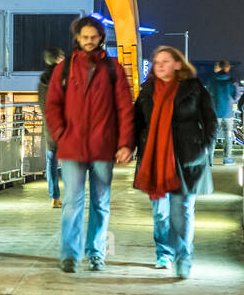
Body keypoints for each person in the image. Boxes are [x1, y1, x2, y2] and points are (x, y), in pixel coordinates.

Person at [45, 15, 134, 273]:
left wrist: (125, 143)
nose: (89, 41)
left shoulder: (112, 69)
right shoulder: (65, 69)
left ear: (101, 38)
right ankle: (70, 254)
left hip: (103, 148)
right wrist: (62, 134)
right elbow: (52, 105)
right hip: (73, 147)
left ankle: (95, 253)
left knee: (100, 203)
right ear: (77, 38)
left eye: (93, 37)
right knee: (73, 202)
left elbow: (124, 108)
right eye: (85, 37)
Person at [133, 46, 217, 279]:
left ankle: (184, 256)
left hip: (187, 157)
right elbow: (137, 122)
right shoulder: (147, 91)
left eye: (165, 61)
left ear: (178, 64)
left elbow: (210, 120)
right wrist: (127, 147)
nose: (159, 65)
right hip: (155, 159)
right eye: (156, 61)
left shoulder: (194, 89)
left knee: (182, 211)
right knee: (160, 213)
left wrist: (204, 148)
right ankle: (164, 252)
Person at [36, 47, 66, 207]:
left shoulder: (42, 80)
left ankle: (54, 196)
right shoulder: (63, 76)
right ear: (57, 59)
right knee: (70, 161)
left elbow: (42, 103)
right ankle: (73, 194)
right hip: (65, 126)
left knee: (51, 161)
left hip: (49, 127)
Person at [208, 60, 237, 164]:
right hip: (228, 113)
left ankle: (209, 160)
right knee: (228, 135)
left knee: (212, 136)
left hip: (214, 112)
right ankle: (227, 158)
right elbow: (235, 96)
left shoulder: (212, 80)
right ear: (226, 68)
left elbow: (208, 94)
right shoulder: (230, 81)